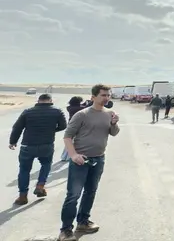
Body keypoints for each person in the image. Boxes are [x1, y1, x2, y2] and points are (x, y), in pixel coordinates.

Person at [57, 84, 120, 241]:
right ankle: (65, 230)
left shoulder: (109, 114)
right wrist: (73, 155)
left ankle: (83, 222)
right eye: (103, 95)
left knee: (90, 192)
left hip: (99, 159)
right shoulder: (82, 115)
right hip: (81, 160)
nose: (106, 98)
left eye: (108, 95)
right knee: (73, 195)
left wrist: (114, 123)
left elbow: (113, 133)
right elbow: (67, 136)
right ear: (93, 97)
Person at [9, 93, 67, 205]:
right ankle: (40, 185)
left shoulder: (28, 111)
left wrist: (13, 142)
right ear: (50, 100)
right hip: (47, 144)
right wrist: (51, 130)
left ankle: (22, 196)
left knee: (24, 170)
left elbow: (17, 127)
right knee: (46, 164)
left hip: (28, 145)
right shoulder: (57, 111)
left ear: (38, 100)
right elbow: (63, 126)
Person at [61, 97, 86, 162]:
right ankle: (70, 156)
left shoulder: (69, 108)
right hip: (78, 126)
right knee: (76, 142)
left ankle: (64, 156)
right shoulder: (81, 108)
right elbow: (84, 107)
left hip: (70, 125)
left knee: (69, 141)